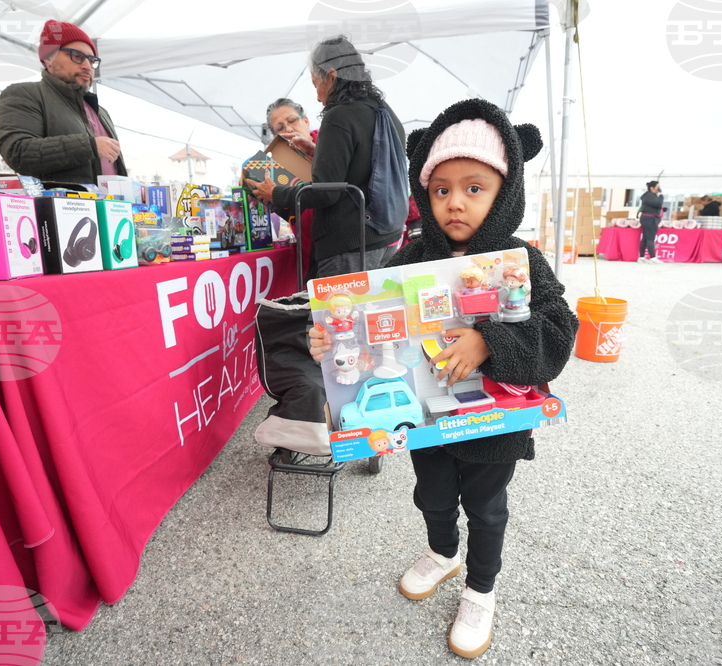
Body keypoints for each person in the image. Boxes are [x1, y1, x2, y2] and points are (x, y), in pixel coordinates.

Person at [309, 99, 578, 658]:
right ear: (423, 192)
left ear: (505, 192)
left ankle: (481, 589)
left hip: (493, 421)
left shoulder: (519, 261)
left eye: (474, 187)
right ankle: (442, 551)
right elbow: (365, 326)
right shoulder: (408, 258)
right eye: (440, 188)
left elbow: (558, 333)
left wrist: (490, 341)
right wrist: (334, 341)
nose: (455, 201)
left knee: (486, 507)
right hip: (425, 417)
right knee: (431, 495)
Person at [246, 35, 406, 278]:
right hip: (387, 238)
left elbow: (327, 192)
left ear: (331, 76)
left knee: (340, 314)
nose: (318, 96)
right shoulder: (383, 110)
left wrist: (275, 193)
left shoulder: (339, 116)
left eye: (315, 84)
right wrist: (317, 151)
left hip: (350, 245)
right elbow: (363, 164)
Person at [0, 20, 127, 183]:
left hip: (110, 207)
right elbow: (18, 152)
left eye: (92, 61)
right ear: (48, 59)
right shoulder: (26, 94)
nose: (87, 66)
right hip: (59, 207)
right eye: (77, 56)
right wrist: (89, 146)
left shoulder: (101, 112)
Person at [265, 98, 318, 279]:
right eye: (280, 128)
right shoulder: (276, 166)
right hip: (305, 249)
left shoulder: (328, 146)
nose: (288, 129)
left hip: (336, 244)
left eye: (292, 121)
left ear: (306, 120)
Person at [637, 180, 663, 263]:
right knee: (650, 238)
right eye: (657, 187)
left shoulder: (647, 196)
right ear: (652, 188)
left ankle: (641, 257)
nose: (659, 189)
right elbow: (659, 204)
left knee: (645, 238)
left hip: (646, 218)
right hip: (650, 219)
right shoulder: (650, 196)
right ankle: (653, 258)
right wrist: (661, 195)